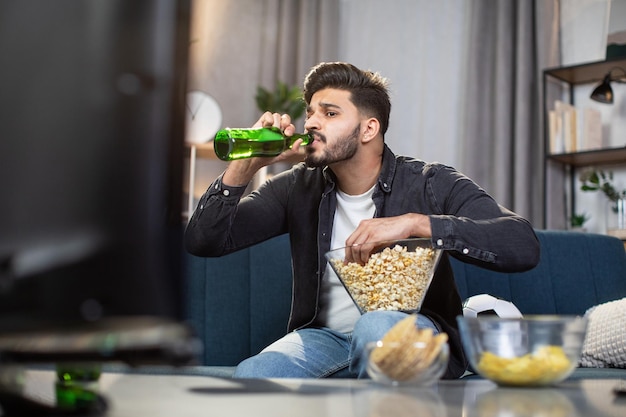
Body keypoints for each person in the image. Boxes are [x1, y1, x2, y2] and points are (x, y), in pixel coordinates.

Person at [185, 62, 540, 379]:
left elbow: (522, 243)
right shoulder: (298, 187)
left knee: (377, 327)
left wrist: (416, 224)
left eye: (330, 113)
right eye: (310, 113)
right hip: (322, 337)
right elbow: (203, 241)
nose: (310, 122)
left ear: (369, 129)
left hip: (412, 330)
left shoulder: (430, 183)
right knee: (255, 373)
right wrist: (243, 168)